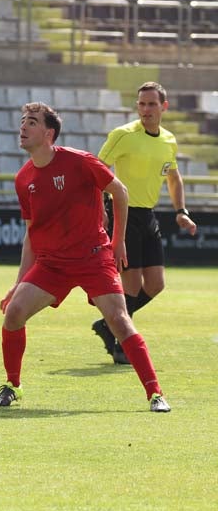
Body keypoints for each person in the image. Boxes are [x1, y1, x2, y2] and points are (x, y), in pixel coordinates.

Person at [0, 102, 171, 413]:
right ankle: (12, 385)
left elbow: (121, 191)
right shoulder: (23, 179)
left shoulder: (80, 161)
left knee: (119, 321)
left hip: (93, 258)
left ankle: (155, 393)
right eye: (22, 121)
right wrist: (17, 283)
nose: (23, 127)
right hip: (52, 264)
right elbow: (31, 235)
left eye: (31, 122)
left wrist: (117, 243)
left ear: (49, 133)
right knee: (13, 314)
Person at [90, 82, 198, 364]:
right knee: (132, 285)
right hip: (122, 213)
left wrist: (181, 210)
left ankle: (109, 324)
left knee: (157, 284)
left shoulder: (169, 140)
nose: (145, 109)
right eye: (141, 104)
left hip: (148, 215)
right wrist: (101, 209)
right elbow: (95, 172)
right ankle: (122, 344)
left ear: (164, 106)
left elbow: (173, 177)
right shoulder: (123, 135)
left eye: (151, 104)